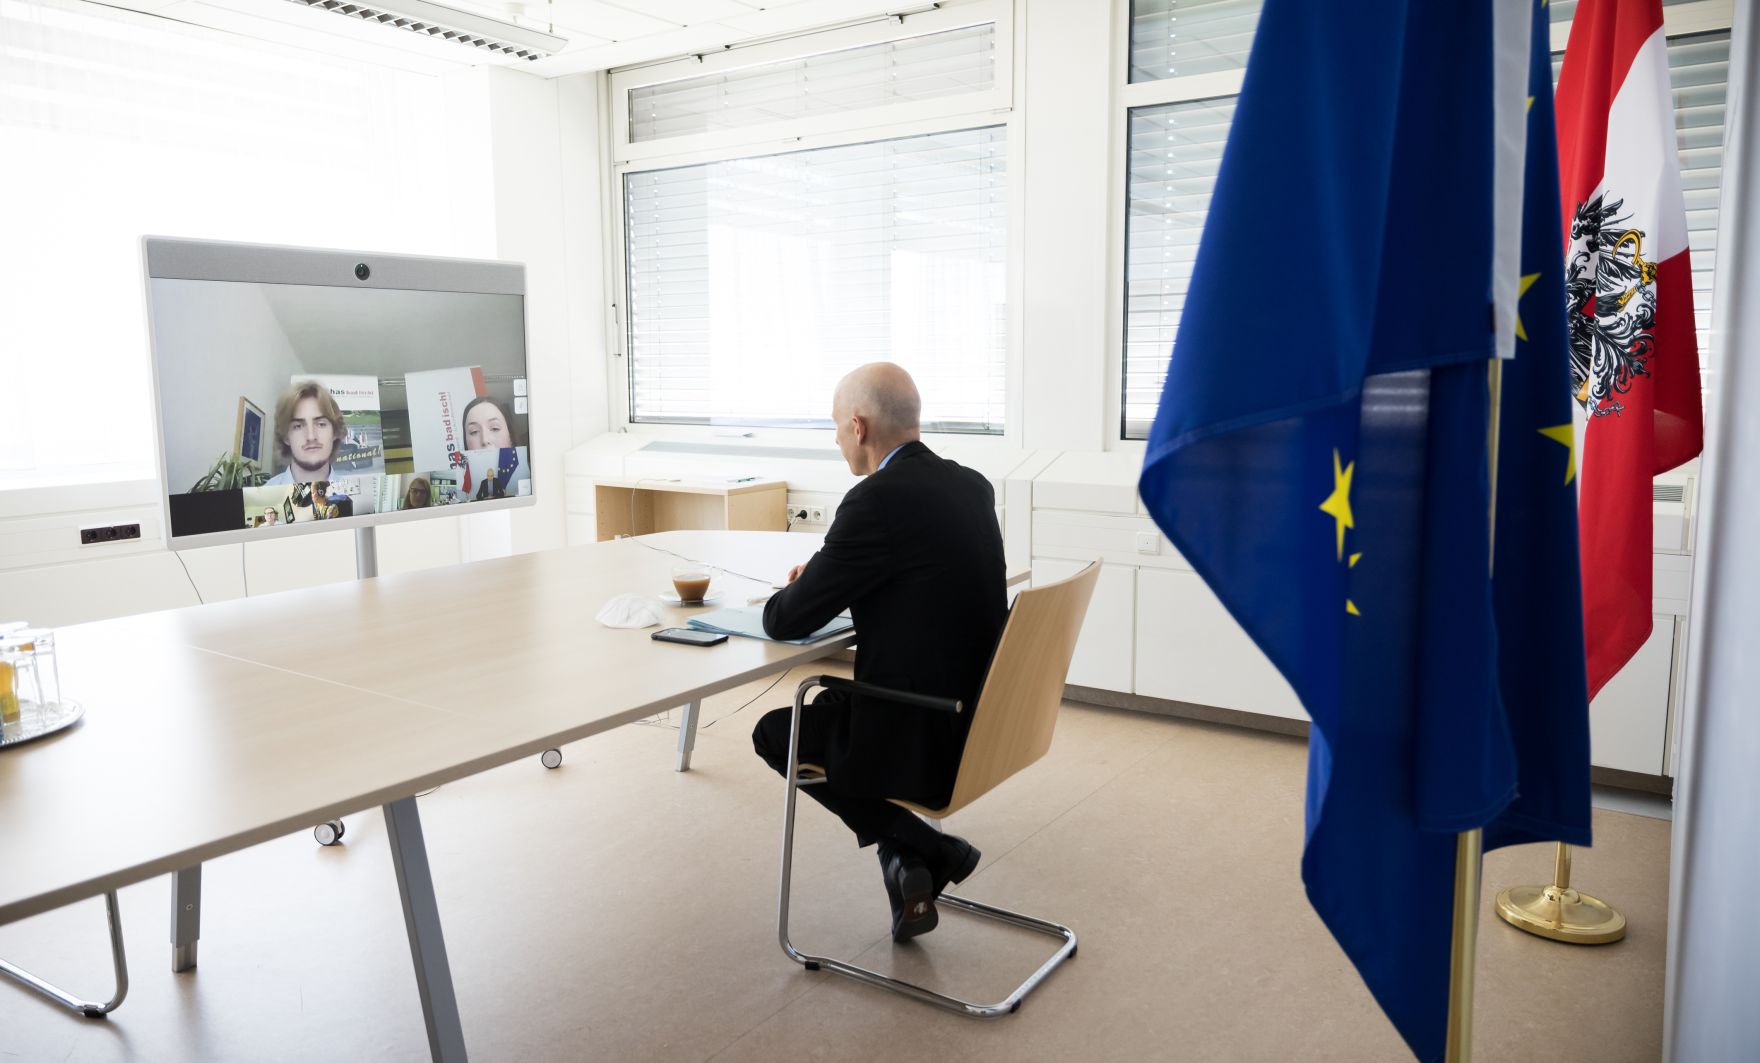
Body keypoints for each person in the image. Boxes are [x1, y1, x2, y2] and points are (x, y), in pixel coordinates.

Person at [751, 362, 1007, 943]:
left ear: (859, 427)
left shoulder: (875, 500)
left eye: (838, 429)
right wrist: (831, 572)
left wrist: (799, 587)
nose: (838, 442)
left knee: (776, 732)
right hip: (986, 717)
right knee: (823, 722)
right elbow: (918, 579)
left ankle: (927, 847)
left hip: (923, 731)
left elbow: (787, 619)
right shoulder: (970, 485)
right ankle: (907, 857)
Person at [266, 381, 347, 485]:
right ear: (286, 437)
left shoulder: (357, 498)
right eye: (298, 426)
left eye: (321, 424)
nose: (311, 436)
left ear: (335, 432)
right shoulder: (262, 498)